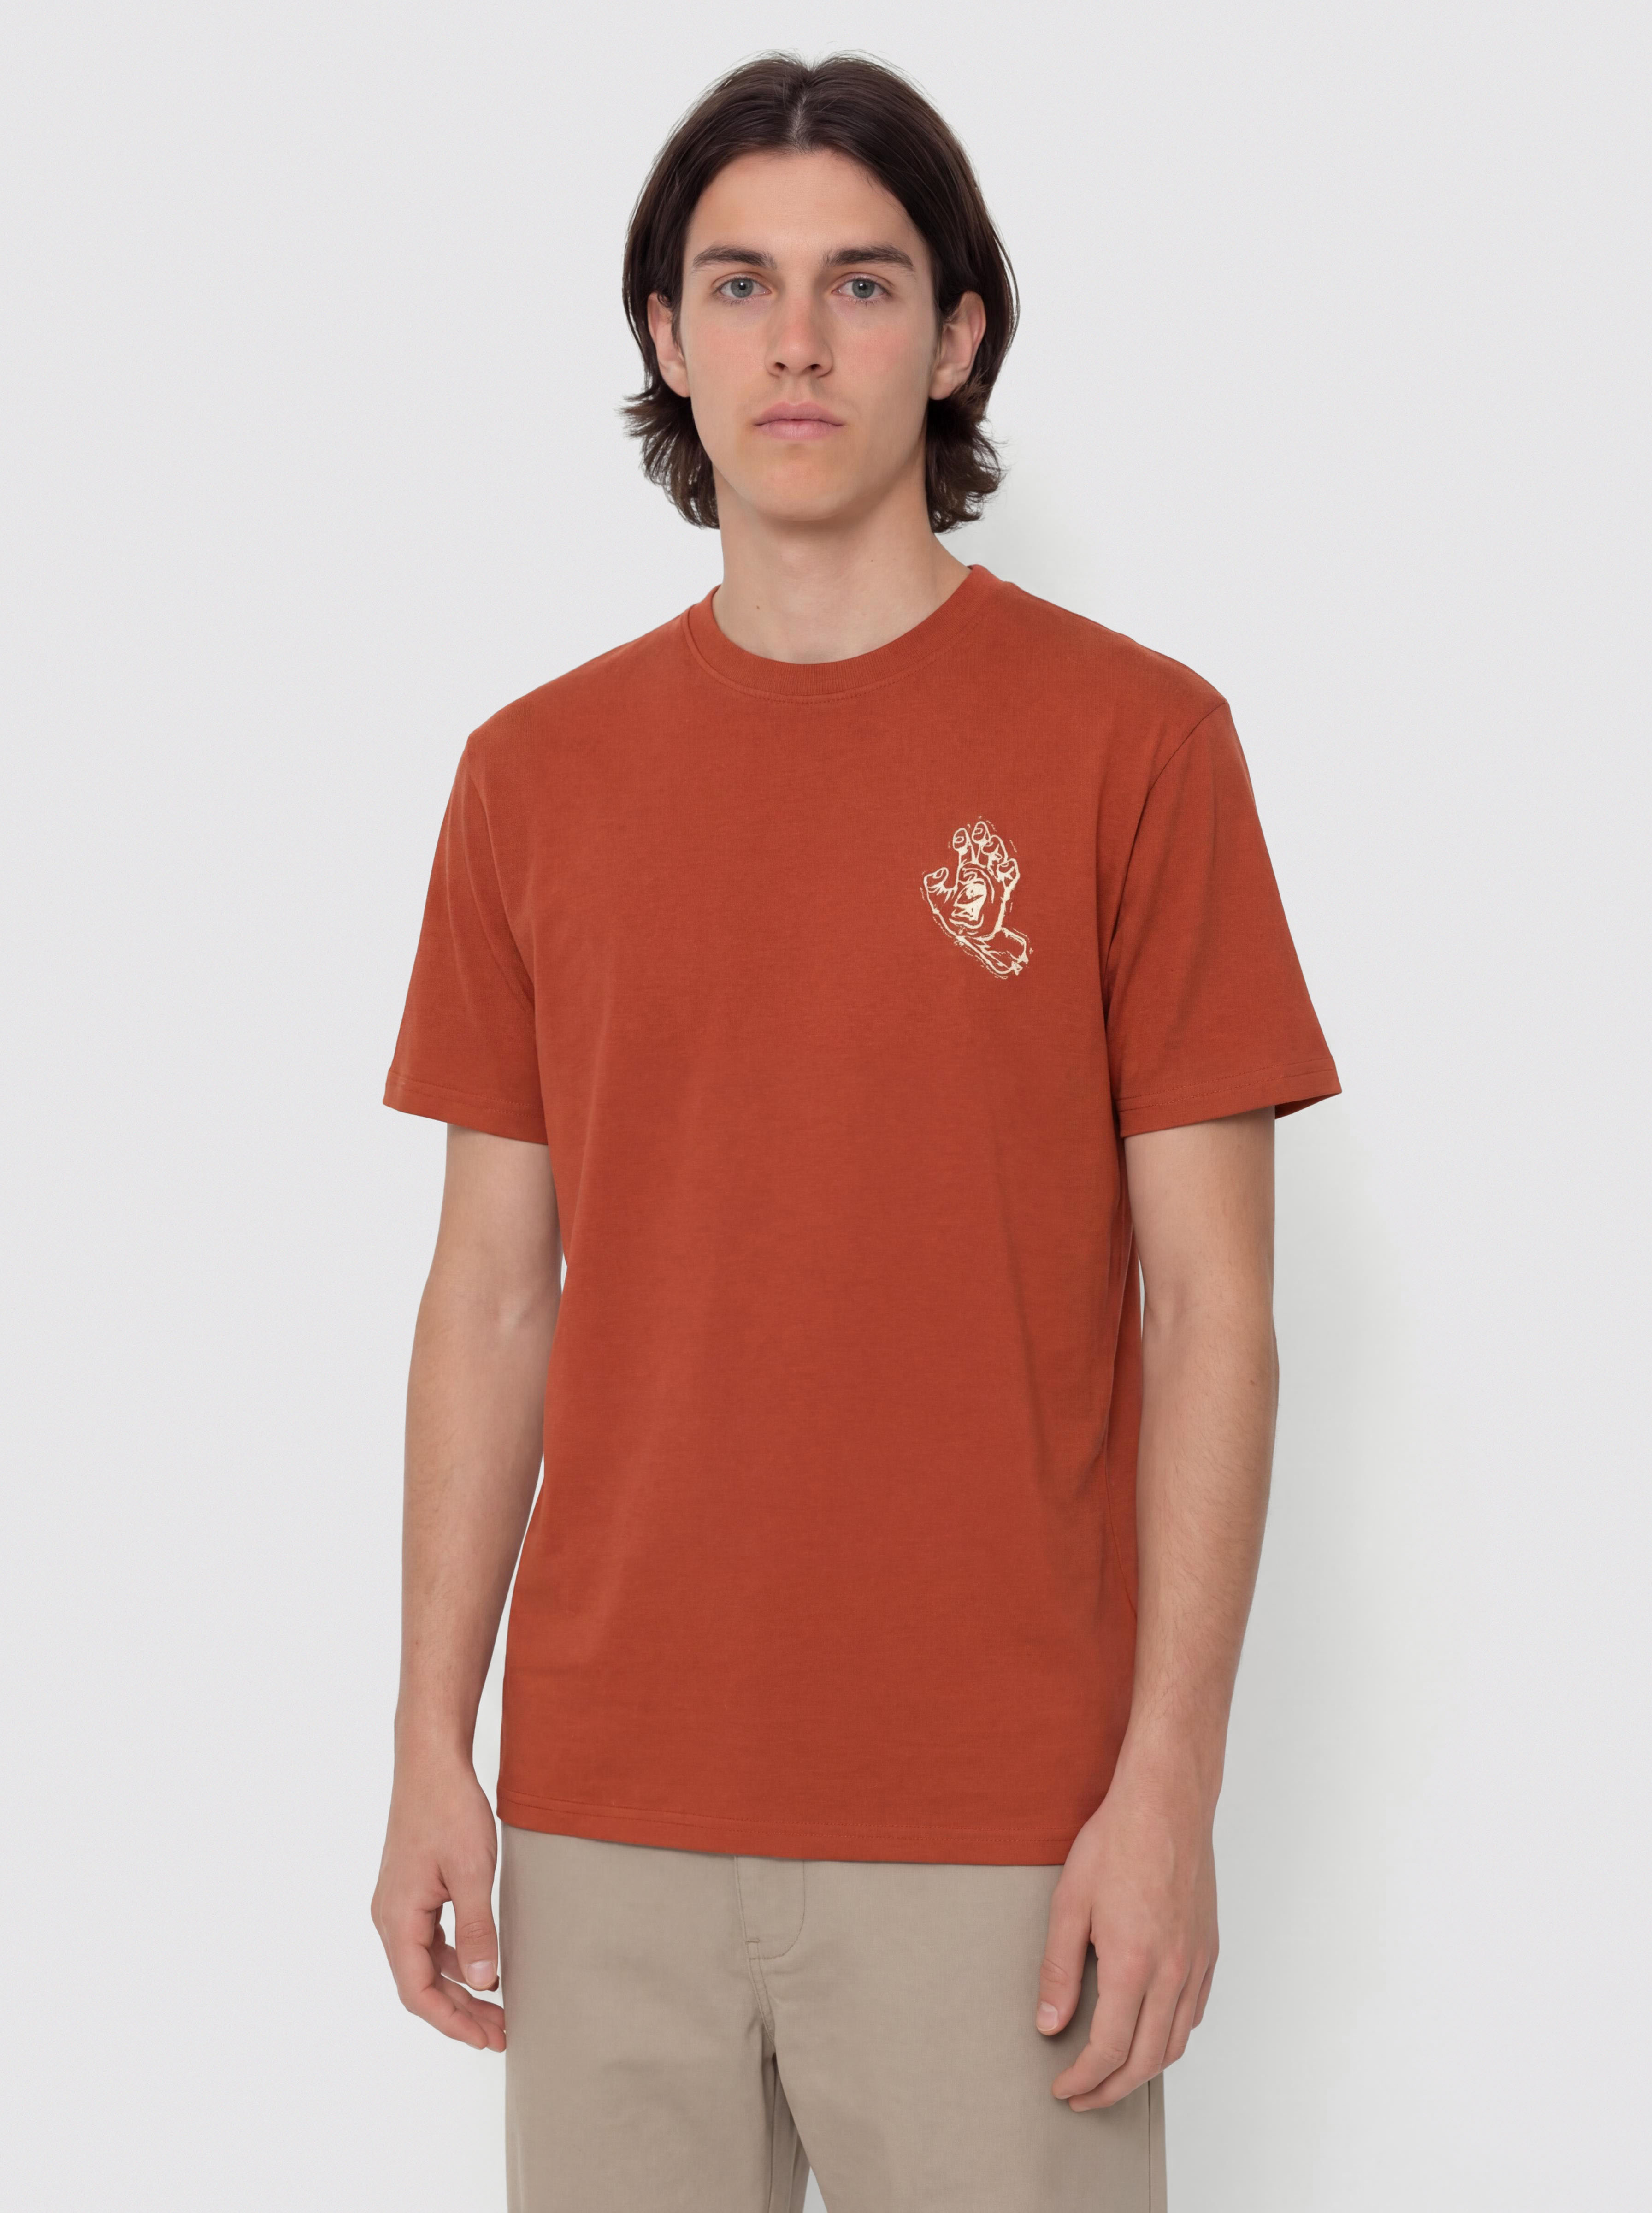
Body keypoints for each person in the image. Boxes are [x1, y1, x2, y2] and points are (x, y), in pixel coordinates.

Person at [371, 50, 1339, 2213]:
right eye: (737, 284)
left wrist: (1166, 1790)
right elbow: (491, 1293)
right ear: (665, 335)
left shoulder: (1135, 746)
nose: (795, 341)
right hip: (606, 1812)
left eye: (862, 284)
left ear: (956, 337)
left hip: (1003, 1827)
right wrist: (433, 1737)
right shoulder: (530, 777)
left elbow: (1211, 1313)